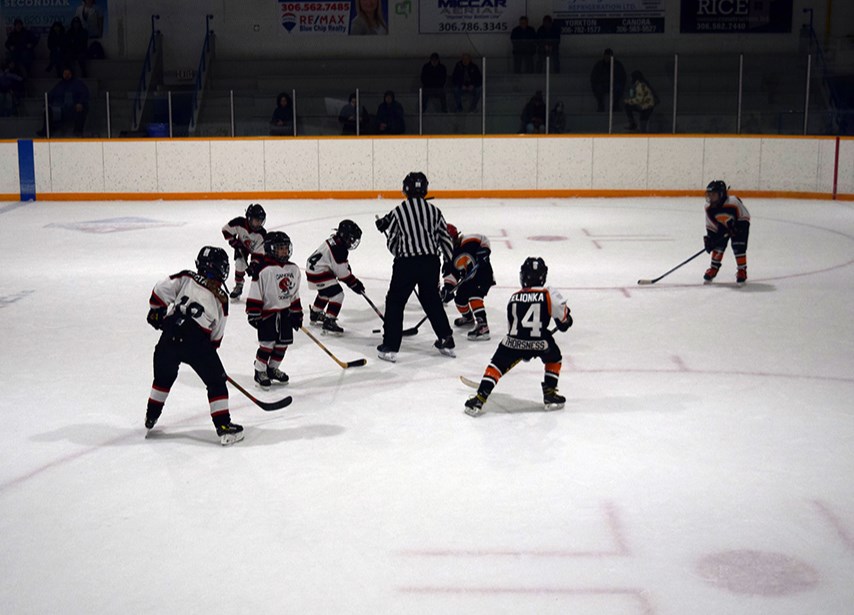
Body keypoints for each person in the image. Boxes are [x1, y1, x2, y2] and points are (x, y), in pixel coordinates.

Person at [144, 246, 244, 446]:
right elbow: (216, 336)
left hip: (170, 332)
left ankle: (151, 416)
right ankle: (223, 427)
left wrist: (157, 311)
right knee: (216, 382)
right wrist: (207, 358)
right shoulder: (221, 297)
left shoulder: (187, 277)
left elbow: (160, 290)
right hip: (197, 339)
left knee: (163, 378)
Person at [464, 257, 573, 417]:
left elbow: (514, 327)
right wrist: (566, 320)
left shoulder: (514, 297)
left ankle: (480, 397)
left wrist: (523, 347)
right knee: (554, 358)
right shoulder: (549, 294)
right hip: (541, 343)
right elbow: (563, 321)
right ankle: (550, 394)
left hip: (513, 342)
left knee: (496, 365)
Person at [375, 171, 455, 362]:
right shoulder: (435, 211)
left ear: (405, 189)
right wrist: (449, 262)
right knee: (432, 300)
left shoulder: (399, 211)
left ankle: (391, 347)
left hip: (406, 264)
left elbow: (393, 242)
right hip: (431, 262)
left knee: (395, 301)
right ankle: (446, 339)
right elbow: (445, 238)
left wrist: (398, 251)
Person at [246, 231, 303, 388]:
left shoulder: (293, 269)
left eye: (286, 248)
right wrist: (253, 312)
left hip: (285, 312)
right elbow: (256, 291)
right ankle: (260, 371)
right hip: (268, 314)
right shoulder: (263, 269)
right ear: (271, 249)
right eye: (280, 248)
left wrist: (297, 313)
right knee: (267, 344)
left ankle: (272, 369)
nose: (284, 251)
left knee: (282, 344)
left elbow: (294, 293)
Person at [306, 219, 365, 336]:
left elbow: (336, 264)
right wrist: (354, 283)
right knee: (338, 295)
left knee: (325, 292)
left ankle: (315, 313)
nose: (352, 242)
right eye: (350, 238)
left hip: (313, 270)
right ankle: (329, 320)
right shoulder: (339, 249)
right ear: (344, 236)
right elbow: (342, 273)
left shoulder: (335, 241)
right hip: (319, 273)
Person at [441, 224, 495, 341]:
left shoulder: (469, 240)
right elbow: (451, 274)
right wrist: (448, 288)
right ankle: (468, 318)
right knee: (460, 299)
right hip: (469, 279)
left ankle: (483, 327)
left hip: (483, 274)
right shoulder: (448, 255)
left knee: (474, 295)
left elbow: (484, 240)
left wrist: (484, 251)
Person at [702, 180, 751, 284]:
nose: (710, 197)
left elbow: (745, 216)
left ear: (721, 194)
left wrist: (738, 228)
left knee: (739, 246)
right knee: (717, 245)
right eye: (709, 194)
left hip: (739, 226)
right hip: (722, 227)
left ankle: (742, 270)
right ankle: (714, 268)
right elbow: (711, 225)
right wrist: (710, 239)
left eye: (713, 194)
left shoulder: (733, 202)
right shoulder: (708, 207)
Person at [221, 203, 267, 300]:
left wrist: (253, 265)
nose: (259, 223)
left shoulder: (262, 234)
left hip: (256, 251)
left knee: (260, 270)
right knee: (239, 263)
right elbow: (225, 230)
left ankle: (262, 290)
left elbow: (259, 252)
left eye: (261, 221)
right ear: (249, 218)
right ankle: (239, 285)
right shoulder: (239, 222)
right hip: (243, 247)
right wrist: (234, 243)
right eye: (257, 220)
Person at [36, 67, 89, 137]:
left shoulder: (78, 83)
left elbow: (84, 94)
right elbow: (51, 95)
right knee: (48, 111)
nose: (66, 75)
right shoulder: (60, 85)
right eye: (65, 74)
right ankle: (46, 131)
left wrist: (80, 102)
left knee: (81, 110)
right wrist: (46, 105)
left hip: (73, 108)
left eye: (68, 74)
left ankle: (78, 132)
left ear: (71, 74)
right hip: (60, 108)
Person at [590, 48, 626, 112]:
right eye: (606, 56)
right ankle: (601, 105)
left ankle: (615, 105)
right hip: (602, 84)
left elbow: (621, 76)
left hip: (614, 84)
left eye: (608, 56)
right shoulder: (599, 64)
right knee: (597, 88)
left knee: (618, 87)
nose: (607, 58)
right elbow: (594, 76)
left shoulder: (617, 65)